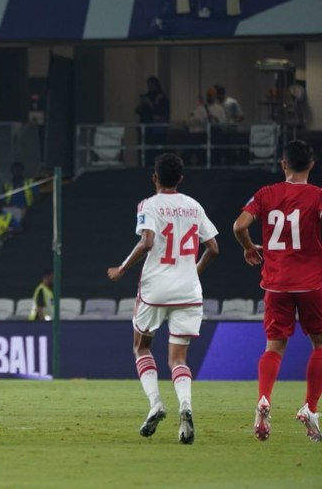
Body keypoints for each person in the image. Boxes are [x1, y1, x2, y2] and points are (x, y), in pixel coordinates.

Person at [107, 153, 219, 445]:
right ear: (180, 178)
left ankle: (156, 404)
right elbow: (214, 248)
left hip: (155, 289)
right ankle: (186, 406)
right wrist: (192, 272)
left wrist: (122, 268)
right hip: (188, 291)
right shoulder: (194, 205)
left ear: (154, 178)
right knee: (178, 358)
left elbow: (146, 241)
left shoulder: (149, 204)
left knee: (141, 346)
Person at [233, 140, 322, 443]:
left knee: (274, 346)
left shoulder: (265, 194)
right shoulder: (317, 195)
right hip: (311, 283)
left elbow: (239, 226)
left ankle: (263, 399)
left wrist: (249, 248)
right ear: (312, 165)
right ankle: (310, 408)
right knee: (320, 343)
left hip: (276, 283)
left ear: (283, 164)